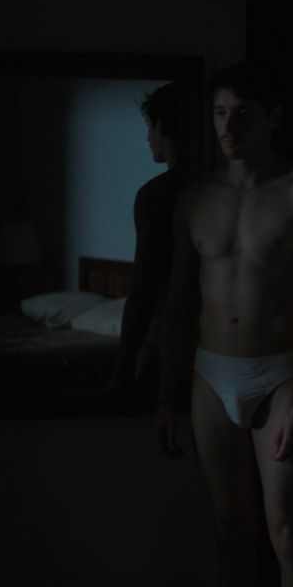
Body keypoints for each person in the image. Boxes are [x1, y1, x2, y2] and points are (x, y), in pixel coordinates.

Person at [157, 61, 293, 587]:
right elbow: (178, 306)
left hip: (283, 376)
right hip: (210, 375)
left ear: (274, 119)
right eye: (220, 113)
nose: (229, 126)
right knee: (229, 531)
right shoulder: (194, 199)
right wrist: (166, 397)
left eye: (243, 113)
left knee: (288, 534)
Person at [106, 81, 191, 395]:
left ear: (161, 125)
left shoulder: (157, 195)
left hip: (168, 330)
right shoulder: (211, 184)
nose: (147, 137)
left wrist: (123, 366)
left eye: (148, 126)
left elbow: (143, 288)